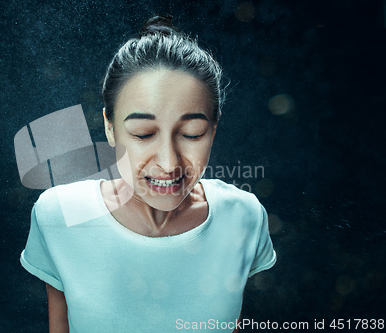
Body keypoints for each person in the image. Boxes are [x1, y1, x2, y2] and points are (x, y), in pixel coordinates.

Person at [20, 15, 276, 333]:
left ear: (214, 127)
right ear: (110, 128)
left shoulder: (244, 216)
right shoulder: (59, 214)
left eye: (193, 132)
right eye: (143, 133)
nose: (169, 163)